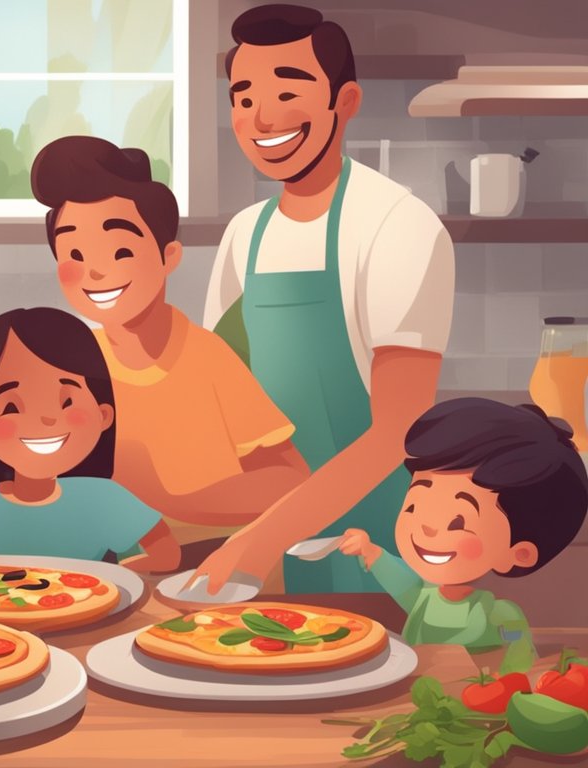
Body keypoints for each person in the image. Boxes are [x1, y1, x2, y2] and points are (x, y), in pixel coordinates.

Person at [196, 4, 455, 593]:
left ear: (346, 102)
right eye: (241, 97)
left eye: (288, 93)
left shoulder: (397, 224)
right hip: (267, 540)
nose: (261, 117)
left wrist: (259, 540)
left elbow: (399, 430)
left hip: (374, 548)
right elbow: (223, 401)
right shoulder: (244, 234)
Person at [30, 136, 308, 555]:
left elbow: (290, 481)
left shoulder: (206, 358)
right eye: (74, 252)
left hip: (213, 571)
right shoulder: (71, 367)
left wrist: (166, 497)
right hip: (102, 573)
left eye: (120, 250)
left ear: (169, 256)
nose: (97, 271)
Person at [337, 399, 588, 673]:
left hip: (476, 701)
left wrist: (511, 686)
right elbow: (400, 580)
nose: (428, 528)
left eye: (458, 521)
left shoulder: (498, 615)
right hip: (417, 694)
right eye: (414, 505)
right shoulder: (422, 599)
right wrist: (370, 551)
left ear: (518, 553)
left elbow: (519, 656)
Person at [0, 307, 180, 572]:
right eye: (12, 407)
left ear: (102, 413)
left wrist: (108, 579)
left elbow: (166, 554)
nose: (47, 420)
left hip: (88, 607)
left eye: (67, 401)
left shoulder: (103, 498)